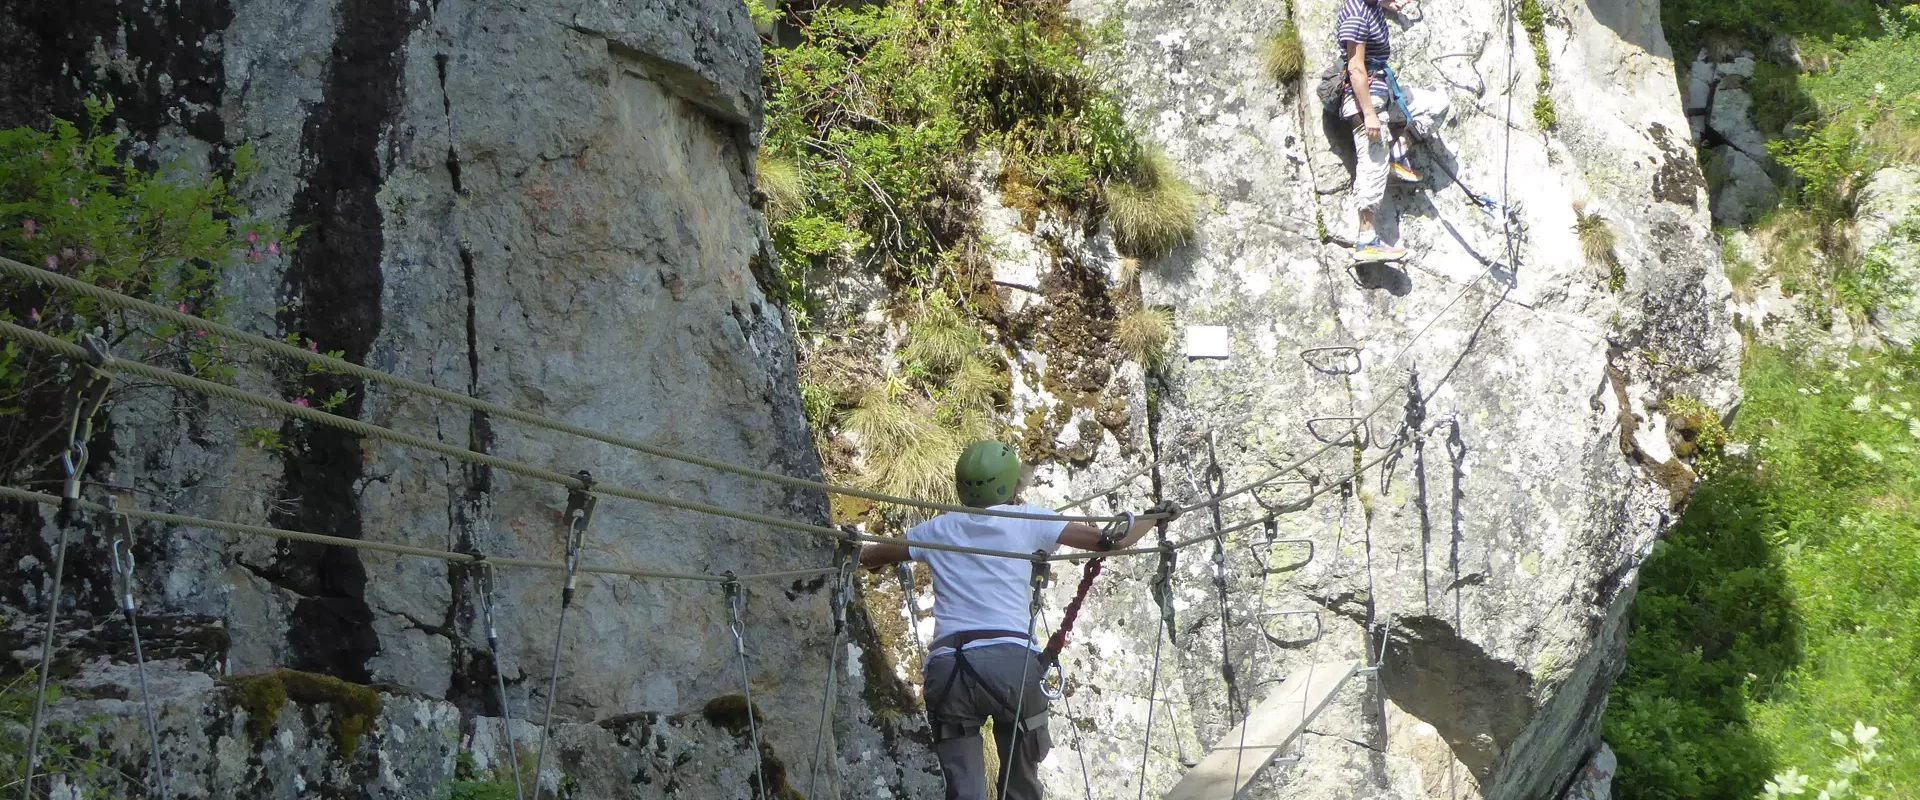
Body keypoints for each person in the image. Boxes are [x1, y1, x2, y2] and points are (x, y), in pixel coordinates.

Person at [860, 441, 1174, 800]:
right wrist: (1156, 515)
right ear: (1010, 484)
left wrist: (851, 547)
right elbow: (1113, 540)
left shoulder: (936, 529)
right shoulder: (1030, 520)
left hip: (950, 673)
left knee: (965, 793)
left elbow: (874, 555)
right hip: (1011, 666)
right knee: (1021, 789)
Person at [1337, 0, 1450, 262]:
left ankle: (1398, 152)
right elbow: (1355, 68)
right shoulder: (1354, 14)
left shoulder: (1371, 5)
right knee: (1373, 162)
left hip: (1387, 93)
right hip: (1367, 101)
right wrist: (1369, 114)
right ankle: (1367, 239)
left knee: (1436, 105)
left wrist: (1389, 4)